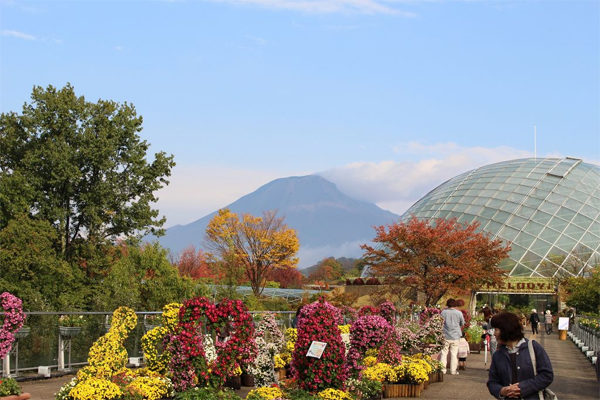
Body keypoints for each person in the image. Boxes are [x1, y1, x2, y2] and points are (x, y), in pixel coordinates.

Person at [487, 312, 554, 400]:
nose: (494, 334)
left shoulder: (533, 347)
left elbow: (547, 375)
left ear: (506, 329)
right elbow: (492, 382)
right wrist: (502, 390)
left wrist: (522, 388)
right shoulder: (498, 355)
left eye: (496, 329)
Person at [440, 298, 465, 375]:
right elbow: (462, 323)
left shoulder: (443, 312)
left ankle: (442, 370)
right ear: (454, 304)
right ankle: (453, 371)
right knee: (454, 354)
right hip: (455, 336)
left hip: (445, 335)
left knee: (444, 353)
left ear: (447, 304)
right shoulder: (459, 313)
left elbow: (440, 322)